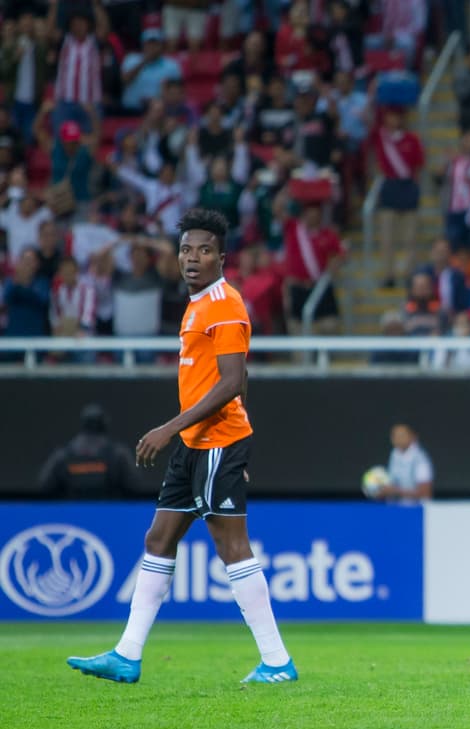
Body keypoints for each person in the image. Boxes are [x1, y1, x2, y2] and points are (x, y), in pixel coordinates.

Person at [67, 209, 296, 686]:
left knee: (231, 547)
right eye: (187, 250)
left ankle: (277, 661)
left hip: (214, 443)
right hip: (197, 444)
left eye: (204, 250)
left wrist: (170, 428)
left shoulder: (226, 305)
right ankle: (127, 655)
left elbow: (232, 382)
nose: (193, 258)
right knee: (159, 539)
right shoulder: (196, 304)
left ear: (221, 257)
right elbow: (240, 379)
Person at [38, 404, 140, 498]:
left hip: (72, 512)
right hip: (106, 511)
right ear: (104, 423)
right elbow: (135, 485)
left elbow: (44, 485)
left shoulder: (62, 455)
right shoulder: (119, 454)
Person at [378, 423, 434, 504]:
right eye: (394, 436)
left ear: (413, 437)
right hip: (396, 508)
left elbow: (425, 493)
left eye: (402, 435)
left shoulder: (420, 459)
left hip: (417, 511)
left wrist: (394, 491)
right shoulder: (394, 454)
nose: (398, 439)